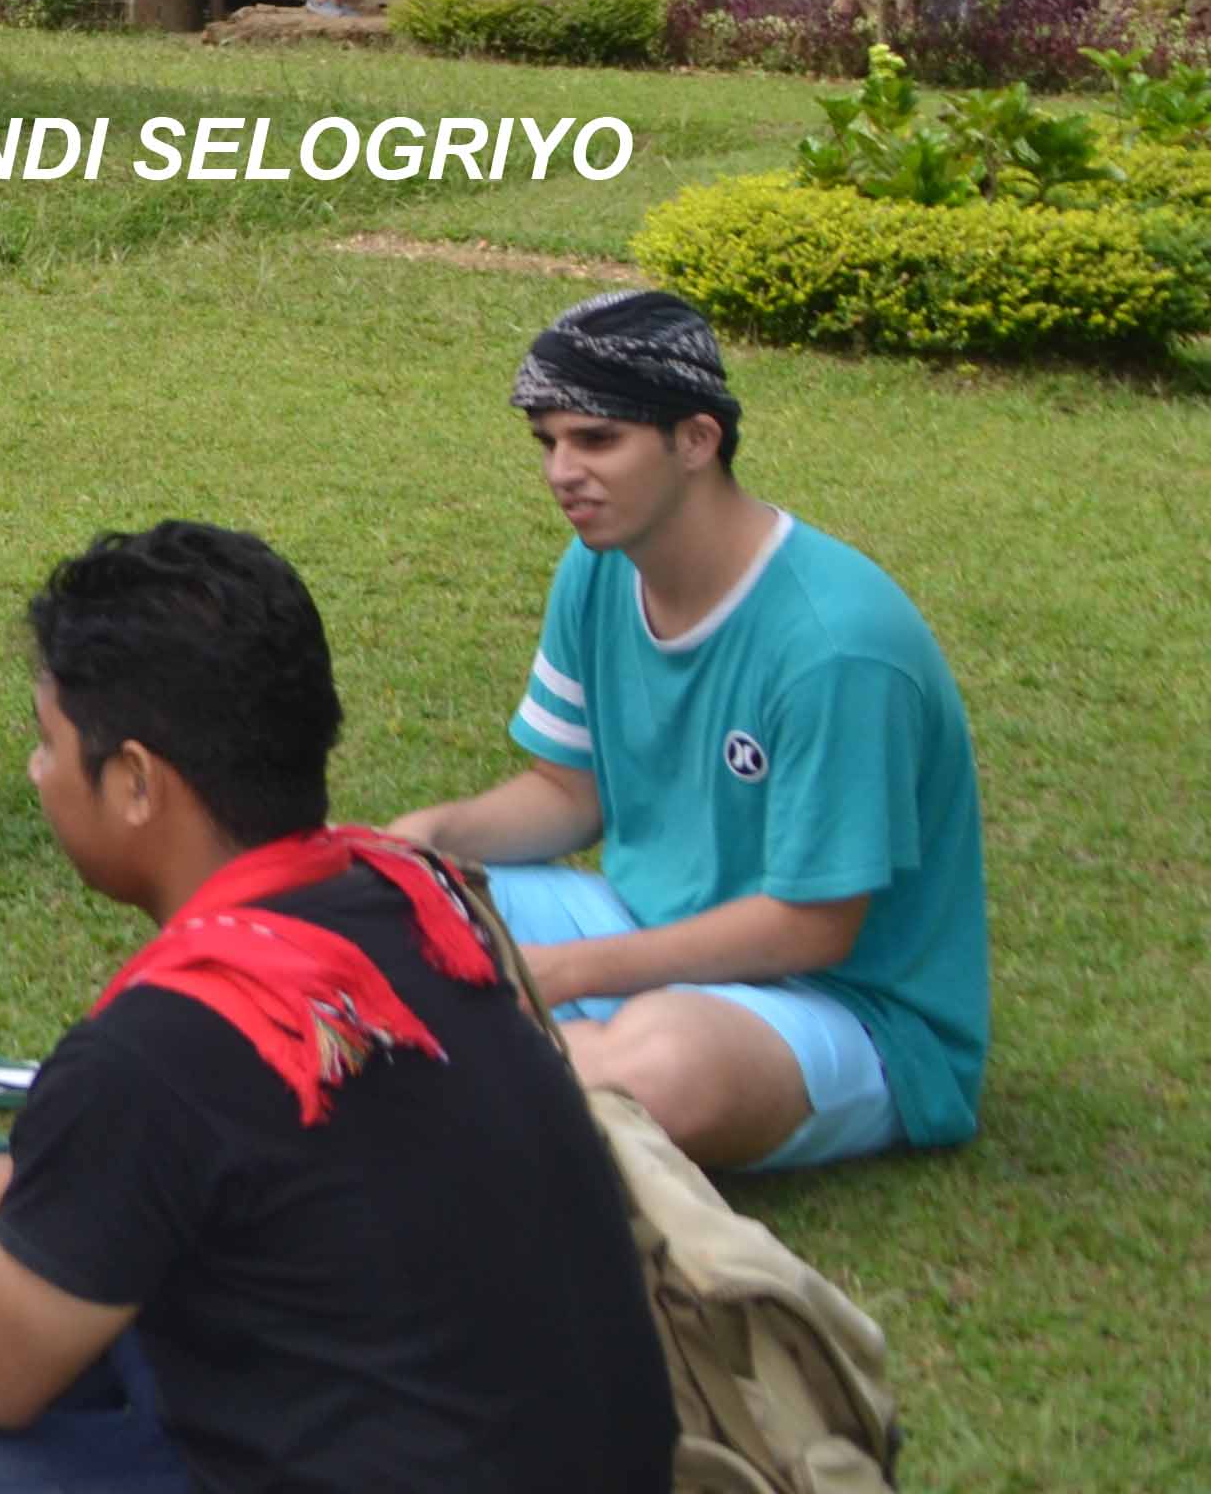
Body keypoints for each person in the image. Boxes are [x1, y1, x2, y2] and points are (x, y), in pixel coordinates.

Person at [0, 522, 673, 1494]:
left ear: (139, 783)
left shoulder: (157, 1048)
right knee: (115, 1314)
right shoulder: (414, 897)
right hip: (572, 1453)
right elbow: (242, 1180)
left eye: (47, 742)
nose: (34, 773)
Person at [388, 290, 987, 1172]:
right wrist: (428, 839)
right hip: (647, 927)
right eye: (547, 442)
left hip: (843, 1007)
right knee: (374, 899)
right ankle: (476, 1088)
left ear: (697, 440)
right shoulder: (598, 570)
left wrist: (575, 973)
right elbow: (568, 793)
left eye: (596, 439)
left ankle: (422, 1097)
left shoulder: (836, 647)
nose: (561, 471)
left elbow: (813, 930)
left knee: (669, 1060)